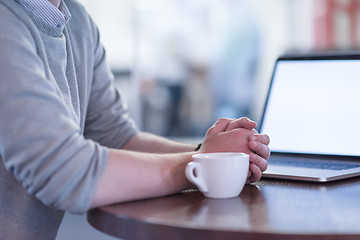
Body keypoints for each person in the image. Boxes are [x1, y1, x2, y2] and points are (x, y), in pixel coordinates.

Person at [0, 0, 270, 239]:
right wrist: (201, 165)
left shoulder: (77, 22)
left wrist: (215, 154)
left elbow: (116, 138)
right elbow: (63, 171)